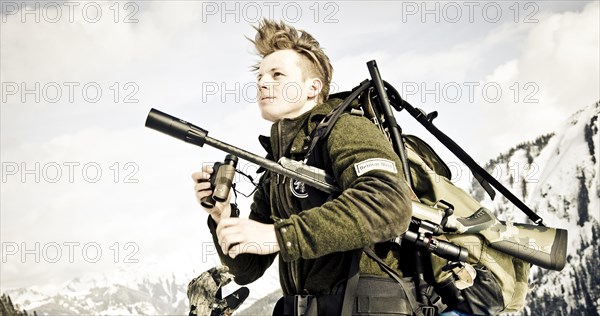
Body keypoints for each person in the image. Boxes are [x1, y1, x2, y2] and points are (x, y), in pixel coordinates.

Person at [192, 19, 415, 315]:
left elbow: (388, 204)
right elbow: (247, 270)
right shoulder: (277, 166)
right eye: (259, 76)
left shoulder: (347, 128)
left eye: (277, 74)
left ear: (312, 88)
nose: (262, 82)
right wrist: (222, 217)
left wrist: (278, 235)